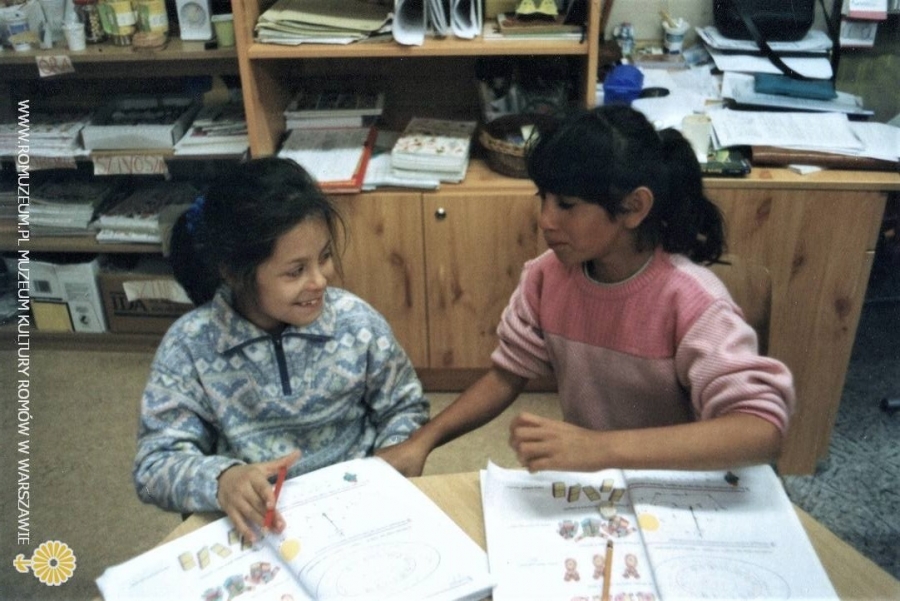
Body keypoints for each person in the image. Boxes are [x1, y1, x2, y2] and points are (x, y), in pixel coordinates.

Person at [390, 105, 794, 476]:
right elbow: (505, 376)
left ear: (634, 207)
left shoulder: (693, 301)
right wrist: (422, 441)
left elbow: (761, 431)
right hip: (599, 483)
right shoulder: (546, 277)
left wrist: (601, 448)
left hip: (679, 489)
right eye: (543, 199)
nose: (546, 220)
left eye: (567, 205)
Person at [133, 158, 429, 542]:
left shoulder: (358, 324)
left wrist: (388, 462)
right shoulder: (189, 347)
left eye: (325, 257)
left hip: (355, 510)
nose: (320, 280)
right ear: (233, 272)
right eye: (295, 271)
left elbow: (405, 408)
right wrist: (220, 480)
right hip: (255, 527)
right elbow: (152, 469)